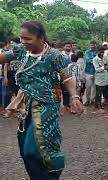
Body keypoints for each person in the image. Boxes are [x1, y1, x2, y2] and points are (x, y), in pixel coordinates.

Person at [0, 20, 83, 179]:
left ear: (40, 37)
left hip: (47, 106)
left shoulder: (54, 56)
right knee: (25, 148)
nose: (23, 42)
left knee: (37, 149)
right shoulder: (21, 51)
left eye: (28, 39)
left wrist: (74, 96)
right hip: (27, 105)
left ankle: (51, 176)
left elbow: (67, 77)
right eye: (21, 38)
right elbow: (3, 57)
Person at [93, 47, 108, 113]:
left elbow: (107, 66)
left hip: (106, 78)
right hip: (99, 79)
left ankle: (107, 106)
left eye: (103, 52)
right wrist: (104, 67)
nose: (102, 53)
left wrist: (107, 67)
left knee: (106, 93)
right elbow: (97, 69)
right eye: (100, 52)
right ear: (98, 52)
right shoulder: (95, 59)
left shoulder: (106, 57)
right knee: (98, 94)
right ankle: (98, 107)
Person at [84, 40, 97, 106]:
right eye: (92, 44)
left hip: (96, 72)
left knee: (94, 88)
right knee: (88, 87)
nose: (93, 46)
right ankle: (88, 100)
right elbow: (88, 60)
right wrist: (96, 61)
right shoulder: (87, 52)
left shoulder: (98, 52)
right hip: (88, 72)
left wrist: (95, 61)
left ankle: (92, 100)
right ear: (90, 45)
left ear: (96, 45)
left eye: (94, 44)